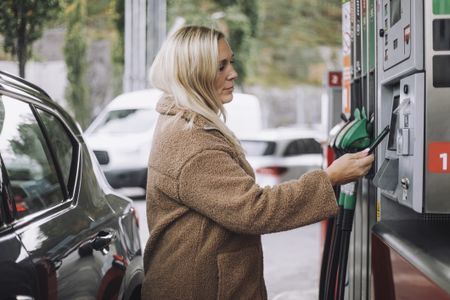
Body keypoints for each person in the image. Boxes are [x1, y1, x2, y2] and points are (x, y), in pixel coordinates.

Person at [141, 25, 374, 300]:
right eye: (220, 67)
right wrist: (330, 178)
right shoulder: (193, 142)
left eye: (231, 62)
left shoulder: (179, 121)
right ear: (194, 72)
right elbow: (255, 210)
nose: (233, 73)